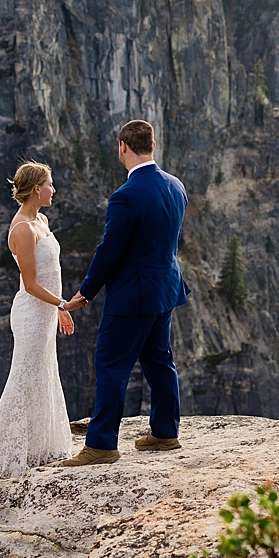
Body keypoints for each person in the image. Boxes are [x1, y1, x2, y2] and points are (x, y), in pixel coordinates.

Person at [56, 120, 189, 466]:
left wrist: (85, 292)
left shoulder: (126, 196)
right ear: (152, 146)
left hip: (133, 295)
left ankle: (101, 445)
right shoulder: (176, 187)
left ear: (122, 147)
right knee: (160, 360)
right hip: (166, 289)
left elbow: (109, 251)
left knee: (111, 363)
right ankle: (164, 432)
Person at [0, 161, 77, 478]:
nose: (53, 189)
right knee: (24, 379)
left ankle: (39, 448)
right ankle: (4, 456)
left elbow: (50, 273)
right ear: (36, 189)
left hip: (46, 313)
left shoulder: (42, 221)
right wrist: (64, 303)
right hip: (31, 315)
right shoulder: (22, 229)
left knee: (43, 376)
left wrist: (58, 310)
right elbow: (32, 284)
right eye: (50, 184)